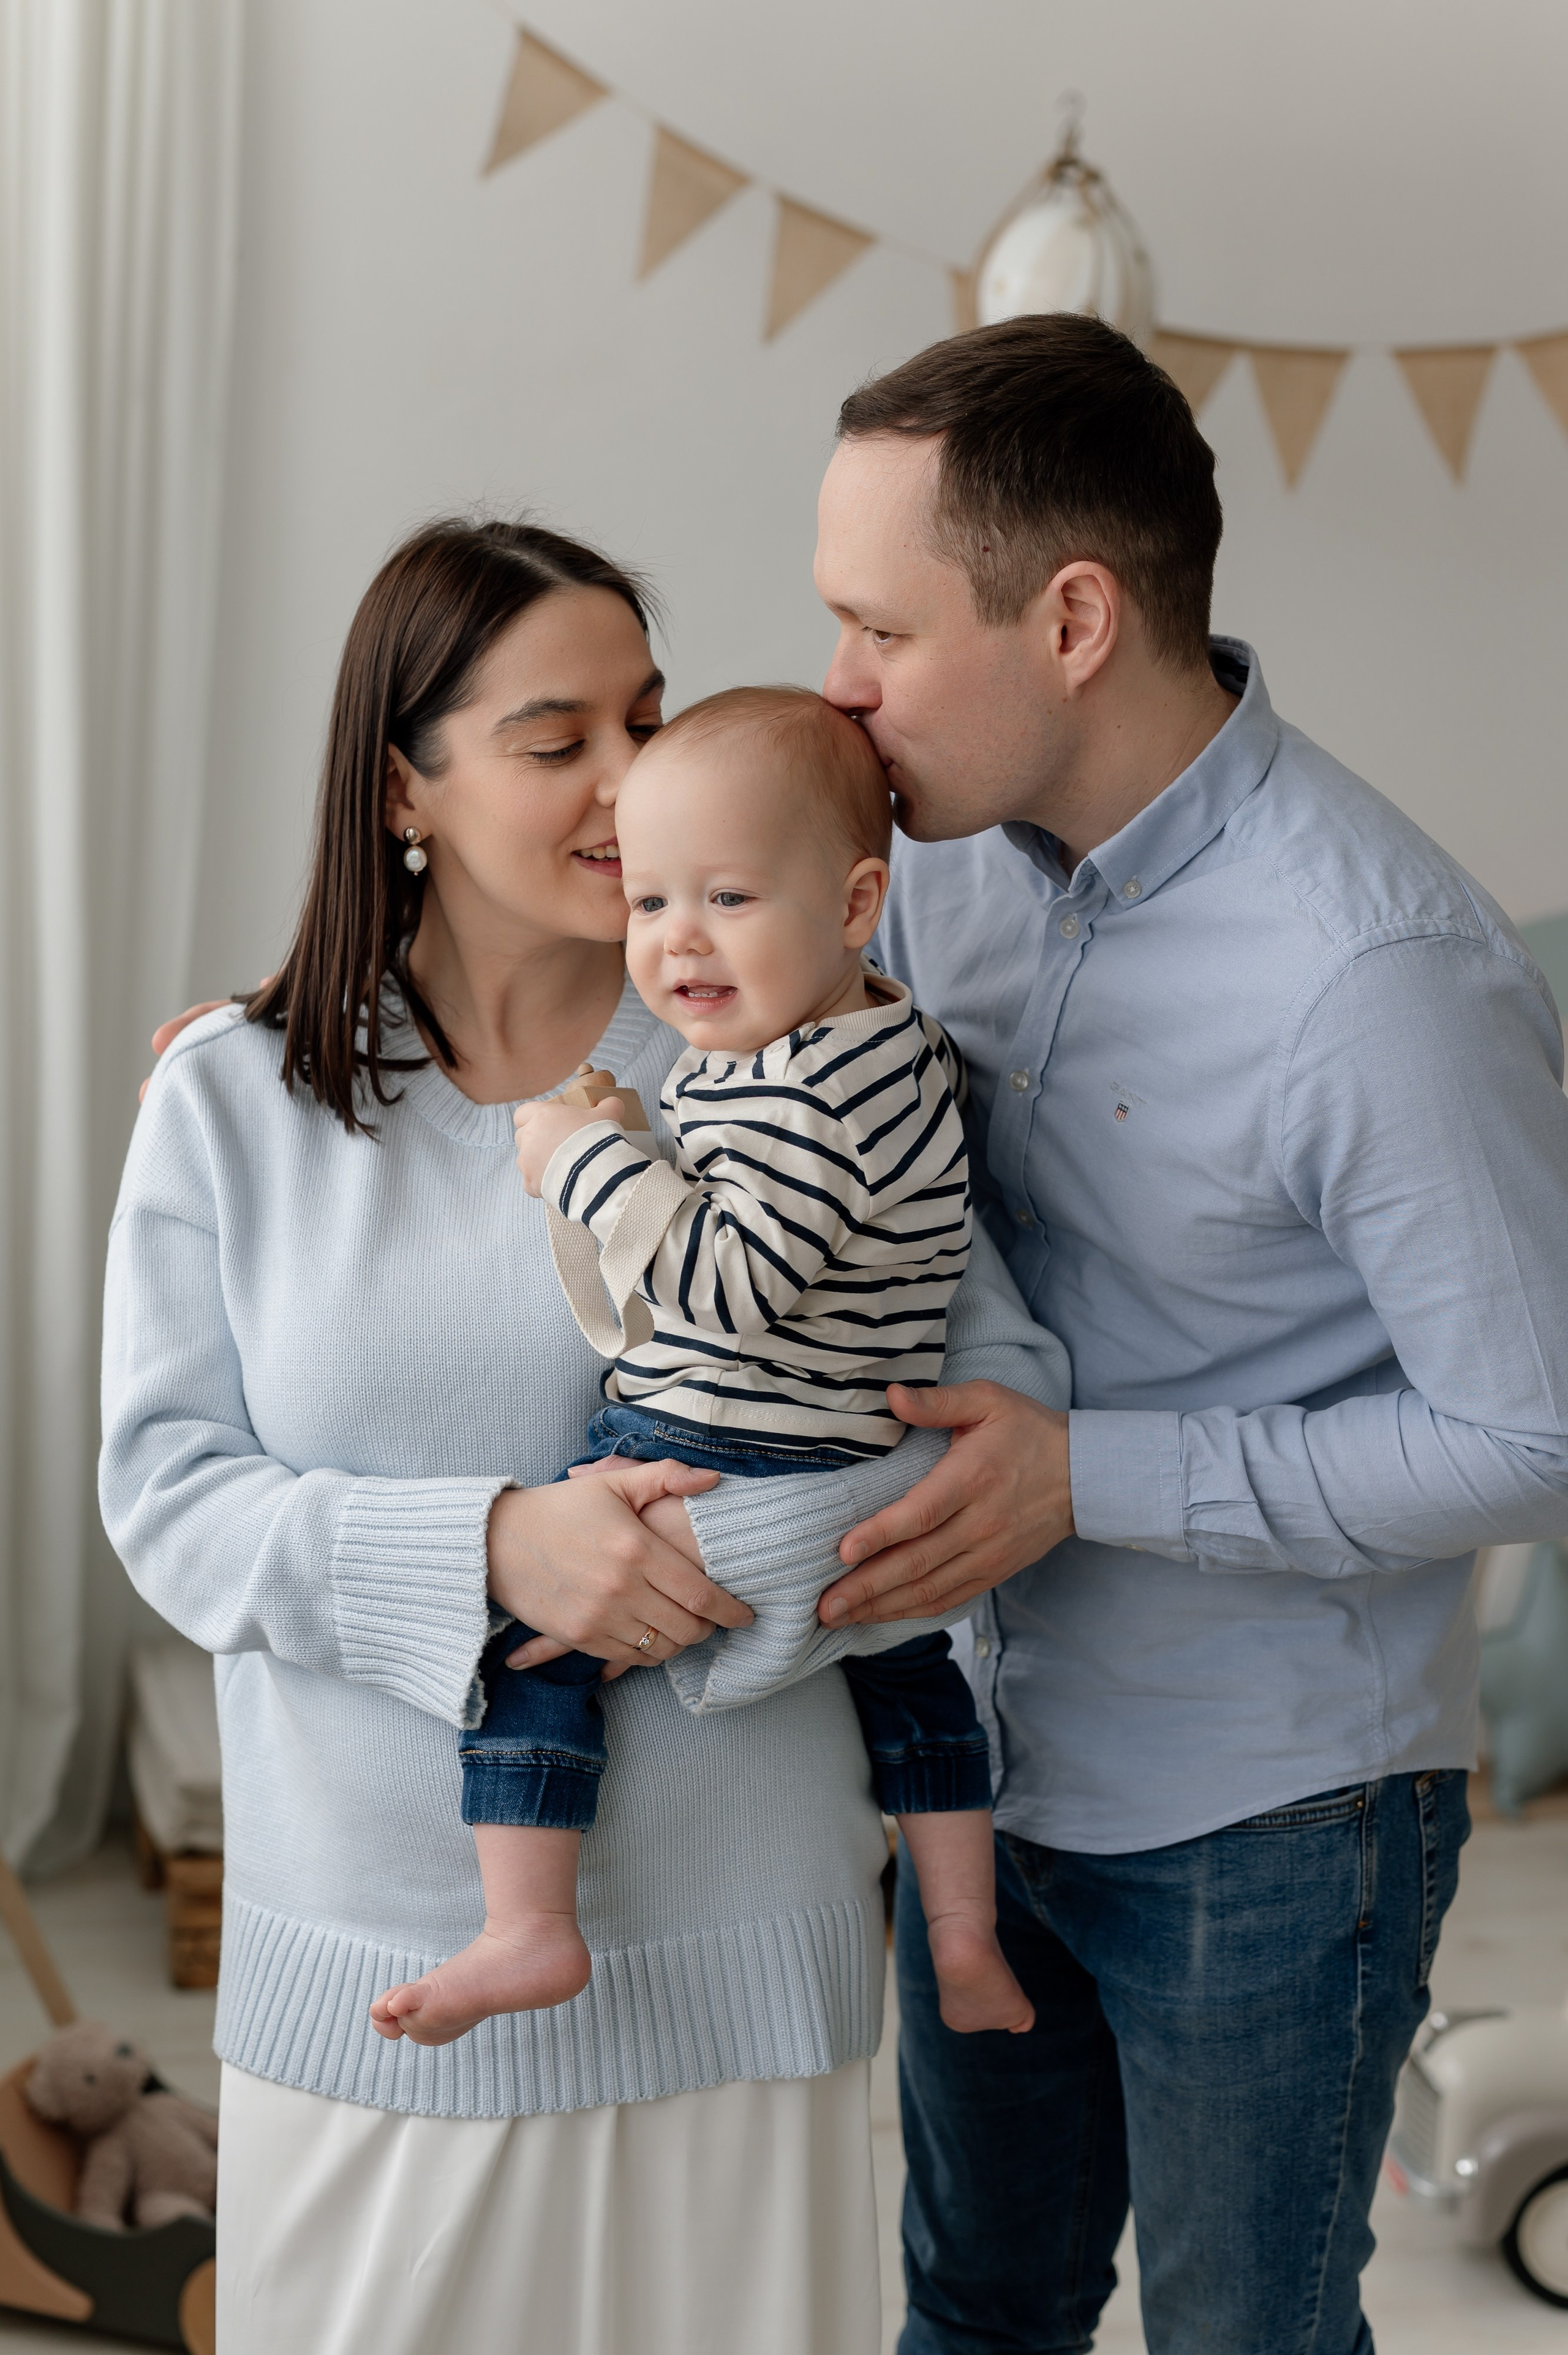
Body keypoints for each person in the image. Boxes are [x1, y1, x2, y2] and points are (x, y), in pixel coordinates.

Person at [100, 517, 1068, 2355]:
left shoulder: (804, 1051)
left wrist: (724, 1565)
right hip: (372, 1959)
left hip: (736, 1948)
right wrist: (494, 1551)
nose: (637, 785)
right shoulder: (233, 1095)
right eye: (562, 741)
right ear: (406, 785)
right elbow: (169, 1503)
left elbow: (990, 1442)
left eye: (650, 713)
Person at [803, 314, 1568, 2354]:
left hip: (1274, 1811)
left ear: (1072, 617)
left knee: (1248, 2334)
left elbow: (1536, 1431)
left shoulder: (1383, 972)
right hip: (984, 1759)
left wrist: (1090, 1476)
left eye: (878, 627)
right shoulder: (928, 867)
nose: (839, 687)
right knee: (976, 2311)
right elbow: (681, 964)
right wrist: (307, 1031)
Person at [368, 684, 1031, 2046]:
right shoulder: (840, 1044)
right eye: (651, 903)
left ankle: (528, 1924)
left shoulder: (814, 1085)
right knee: (912, 1680)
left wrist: (586, 1157)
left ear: (855, 905)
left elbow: (728, 1287)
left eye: (725, 898)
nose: (676, 943)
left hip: (745, 1450)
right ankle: (960, 1932)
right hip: (840, 1443)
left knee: (528, 1644)